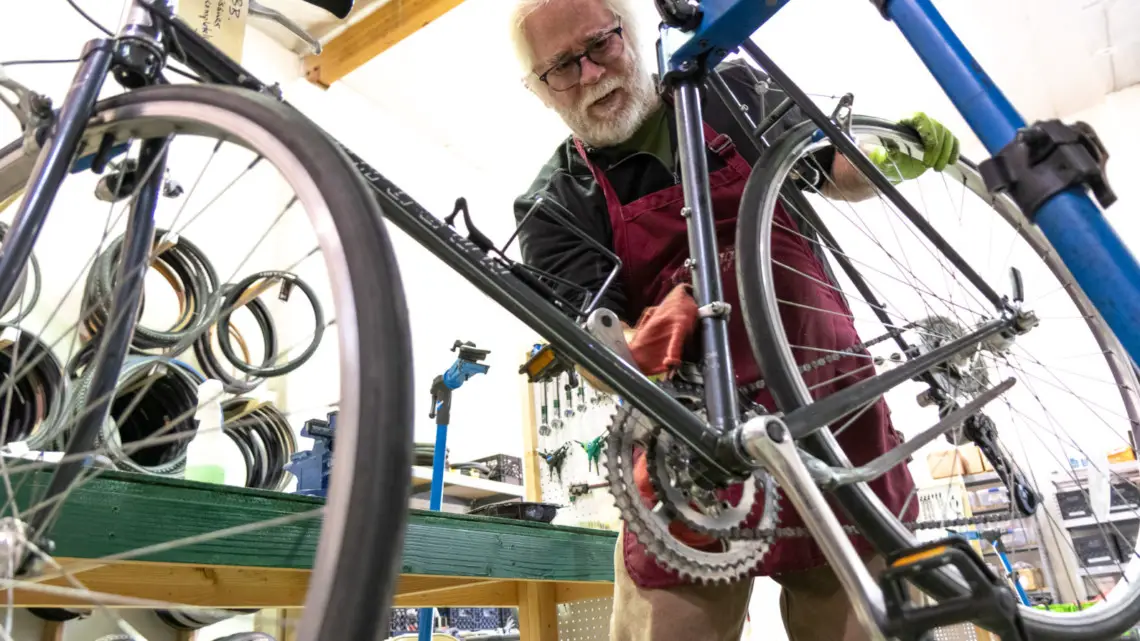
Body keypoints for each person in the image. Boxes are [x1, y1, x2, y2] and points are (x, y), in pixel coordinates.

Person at [508, 0, 961, 639]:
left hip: (829, 397)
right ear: (537, 89)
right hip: (689, 438)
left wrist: (886, 159)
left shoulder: (729, 89)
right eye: (560, 67)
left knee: (865, 625)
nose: (589, 75)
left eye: (600, 46)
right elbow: (594, 350)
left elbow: (828, 165)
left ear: (631, 37)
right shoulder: (553, 203)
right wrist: (641, 343)